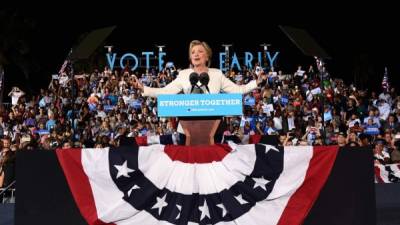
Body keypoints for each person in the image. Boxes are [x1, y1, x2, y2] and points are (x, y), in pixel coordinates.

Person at [134, 40, 266, 96]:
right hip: (187, 128)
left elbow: (238, 90)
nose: (196, 54)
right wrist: (143, 88)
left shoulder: (217, 74)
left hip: (213, 127)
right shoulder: (184, 75)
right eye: (193, 52)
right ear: (190, 58)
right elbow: (165, 92)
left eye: (200, 51)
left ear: (207, 56)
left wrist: (257, 82)